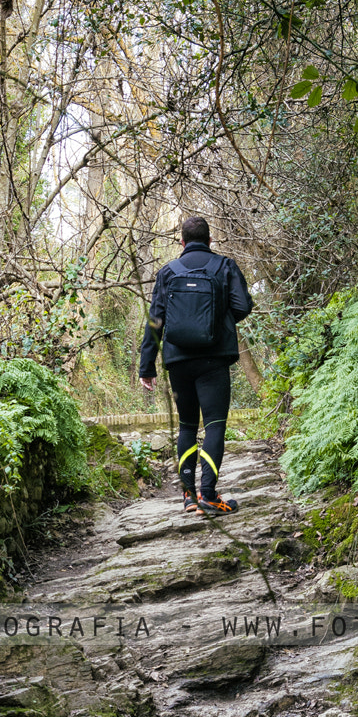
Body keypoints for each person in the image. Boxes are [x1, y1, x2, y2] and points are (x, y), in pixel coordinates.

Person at [138, 215, 254, 514]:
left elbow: (155, 320)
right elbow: (242, 306)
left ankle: (189, 496)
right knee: (214, 425)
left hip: (178, 361)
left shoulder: (167, 272)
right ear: (210, 240)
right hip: (213, 360)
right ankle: (209, 495)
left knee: (187, 426)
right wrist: (216, 321)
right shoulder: (225, 266)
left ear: (182, 242)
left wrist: (146, 366)